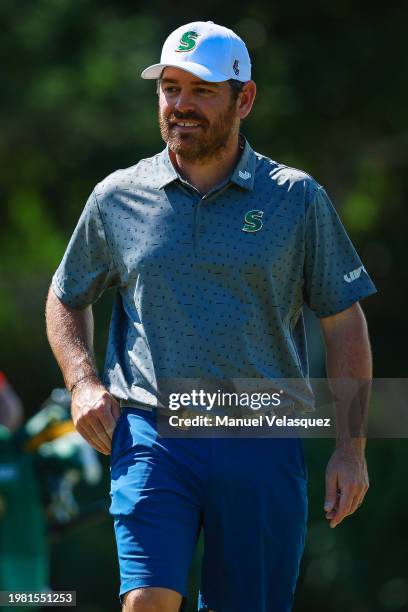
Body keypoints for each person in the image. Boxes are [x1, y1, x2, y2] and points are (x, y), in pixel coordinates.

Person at [45, 21, 377, 612]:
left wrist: (350, 447)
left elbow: (343, 320)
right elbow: (66, 295)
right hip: (152, 431)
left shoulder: (296, 198)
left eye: (202, 91)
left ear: (243, 98)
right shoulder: (119, 196)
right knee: (147, 598)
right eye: (170, 89)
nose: (181, 106)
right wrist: (82, 382)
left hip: (261, 435)